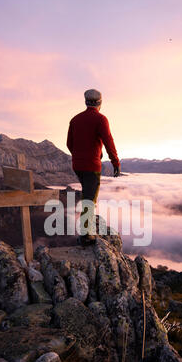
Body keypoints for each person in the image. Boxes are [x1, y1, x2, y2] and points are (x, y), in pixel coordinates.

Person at [67, 89, 121, 245]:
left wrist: (79, 156)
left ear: (86, 102)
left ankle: (86, 230)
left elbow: (69, 144)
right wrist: (115, 162)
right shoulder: (100, 119)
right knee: (90, 200)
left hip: (78, 166)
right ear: (100, 103)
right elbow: (108, 141)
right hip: (92, 166)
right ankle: (86, 235)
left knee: (87, 195)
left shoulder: (75, 120)